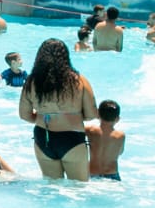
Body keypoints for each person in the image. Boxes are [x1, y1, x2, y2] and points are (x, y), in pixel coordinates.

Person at [19, 38, 99, 181]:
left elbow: (24, 115)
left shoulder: (32, 82)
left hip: (43, 137)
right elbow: (91, 114)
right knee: (79, 189)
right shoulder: (79, 81)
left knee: (51, 189)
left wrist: (44, 116)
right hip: (72, 138)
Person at [88, 99, 126, 181]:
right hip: (112, 175)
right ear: (117, 119)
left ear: (98, 114)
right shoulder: (120, 136)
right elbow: (120, 152)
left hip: (92, 174)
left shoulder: (90, 130)